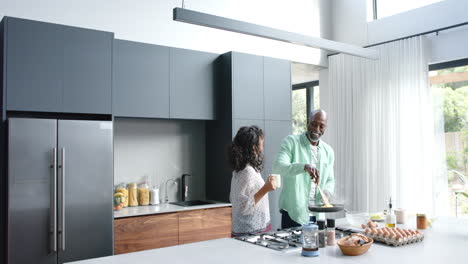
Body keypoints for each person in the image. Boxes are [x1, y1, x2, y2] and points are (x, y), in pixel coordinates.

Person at [273, 109, 335, 228]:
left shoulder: (329, 151)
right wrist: (303, 167)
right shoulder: (291, 142)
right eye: (314, 124)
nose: (317, 129)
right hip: (293, 214)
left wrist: (327, 192)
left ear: (325, 127)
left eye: (321, 126)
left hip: (318, 215)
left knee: (318, 247)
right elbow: (278, 167)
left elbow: (330, 180)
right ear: (308, 122)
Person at [228, 126, 278, 236]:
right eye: (261, 143)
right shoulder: (248, 171)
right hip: (251, 230)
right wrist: (266, 188)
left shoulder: (239, 170)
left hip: (250, 227)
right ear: (253, 147)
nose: (262, 147)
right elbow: (243, 207)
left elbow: (234, 199)